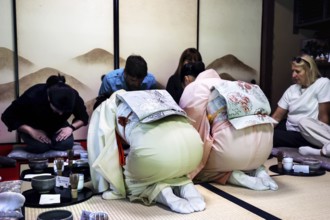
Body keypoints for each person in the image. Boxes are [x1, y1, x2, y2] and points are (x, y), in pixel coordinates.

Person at [88, 89, 205, 214]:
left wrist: (109, 187)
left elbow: (103, 150)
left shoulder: (105, 107)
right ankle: (185, 185)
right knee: (171, 169)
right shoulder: (141, 97)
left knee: (126, 178)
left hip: (155, 156)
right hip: (195, 149)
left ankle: (162, 191)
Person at [180, 68, 278, 191]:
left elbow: (191, 128)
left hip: (233, 149)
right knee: (245, 153)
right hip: (265, 148)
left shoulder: (194, 87)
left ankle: (232, 176)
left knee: (198, 169)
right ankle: (259, 170)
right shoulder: (229, 84)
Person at [1, 74, 89, 153]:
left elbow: (83, 117)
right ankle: (36, 139)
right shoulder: (33, 95)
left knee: (65, 145)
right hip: (32, 125)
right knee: (40, 148)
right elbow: (8, 116)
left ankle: (52, 141)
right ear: (49, 99)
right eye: (57, 110)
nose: (61, 114)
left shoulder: (73, 95)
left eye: (64, 112)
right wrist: (31, 131)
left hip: (58, 125)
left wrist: (71, 128)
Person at [271, 54, 330, 148]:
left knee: (273, 137)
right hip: (289, 126)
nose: (293, 75)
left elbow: (324, 119)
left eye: (297, 71)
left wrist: (320, 138)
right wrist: (263, 131)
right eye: (293, 71)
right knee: (263, 134)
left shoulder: (322, 83)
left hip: (305, 132)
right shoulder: (291, 89)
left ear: (309, 71)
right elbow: (276, 117)